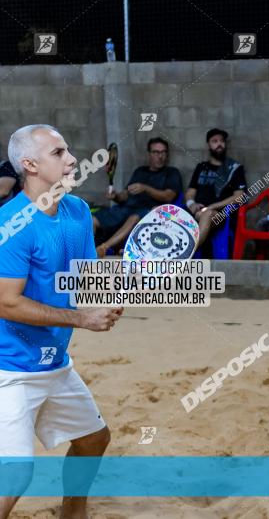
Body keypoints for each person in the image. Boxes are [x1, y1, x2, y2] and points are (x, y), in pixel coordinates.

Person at [0, 124, 123, 519]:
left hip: (52, 363)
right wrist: (82, 318)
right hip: (9, 369)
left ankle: (73, 514)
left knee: (93, 440)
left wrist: (130, 281)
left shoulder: (77, 210)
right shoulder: (12, 225)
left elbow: (84, 276)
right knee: (16, 477)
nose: (72, 160)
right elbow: (7, 304)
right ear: (29, 165)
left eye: (68, 150)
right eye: (59, 153)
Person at [91, 137, 182, 257]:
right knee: (92, 219)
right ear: (149, 154)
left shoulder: (172, 173)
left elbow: (168, 197)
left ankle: (103, 248)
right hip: (124, 209)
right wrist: (115, 196)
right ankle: (86, 250)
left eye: (163, 152)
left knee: (134, 218)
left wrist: (146, 188)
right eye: (156, 152)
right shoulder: (140, 171)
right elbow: (125, 195)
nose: (160, 156)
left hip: (147, 212)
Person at [185, 128, 246, 252]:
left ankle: (187, 252)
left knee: (206, 214)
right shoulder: (201, 167)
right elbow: (190, 193)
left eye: (222, 141)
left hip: (221, 215)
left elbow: (239, 196)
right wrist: (191, 204)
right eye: (215, 141)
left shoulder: (234, 168)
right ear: (208, 144)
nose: (219, 144)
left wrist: (212, 207)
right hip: (197, 212)